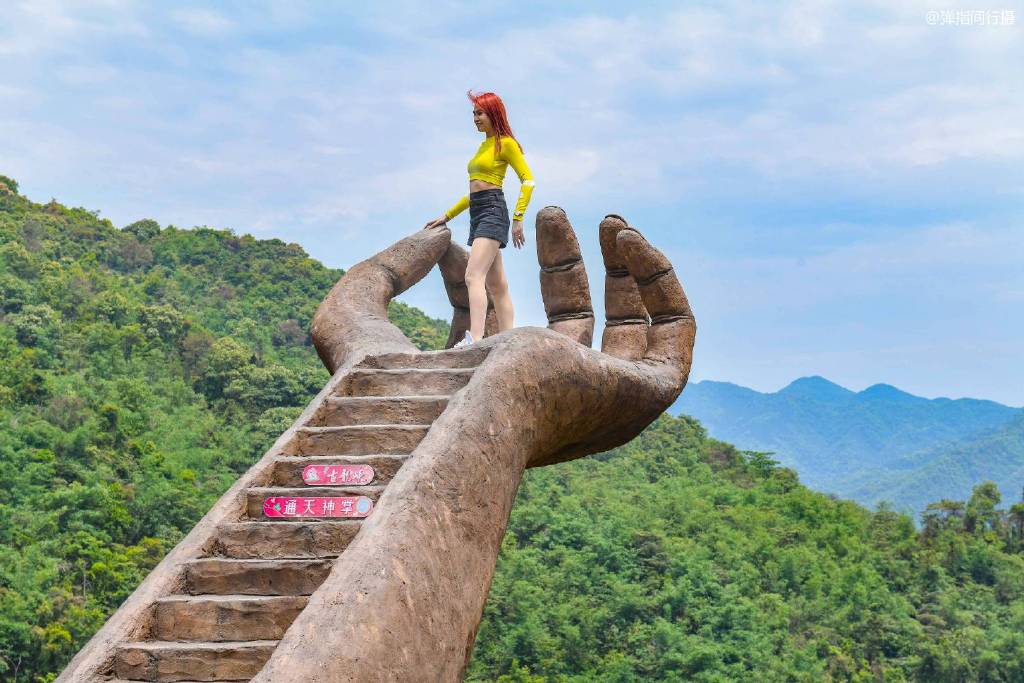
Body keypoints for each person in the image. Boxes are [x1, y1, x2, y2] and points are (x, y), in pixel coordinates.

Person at [423, 90, 535, 347]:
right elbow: (474, 192)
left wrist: (518, 218)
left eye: (480, 113)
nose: (475, 118)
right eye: (473, 113)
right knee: (498, 284)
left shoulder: (506, 144)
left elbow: (528, 181)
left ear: (493, 113)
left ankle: (475, 340)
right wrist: (447, 215)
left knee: (473, 276)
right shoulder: (483, 146)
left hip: (494, 211)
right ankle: (508, 341)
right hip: (478, 211)